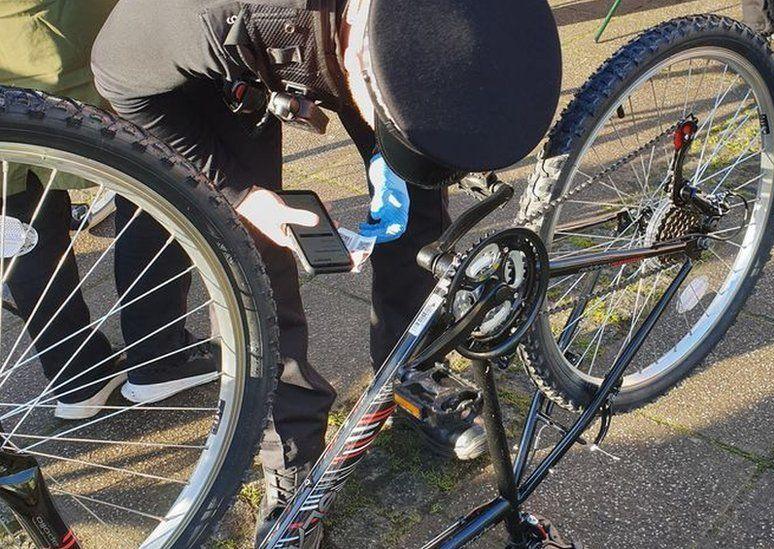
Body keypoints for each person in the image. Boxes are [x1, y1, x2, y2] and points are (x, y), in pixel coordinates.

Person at [92, 0, 561, 541]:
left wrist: (402, 151)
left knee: (419, 197)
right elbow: (117, 76)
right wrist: (244, 195)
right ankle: (289, 453)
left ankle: (409, 371)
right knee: (254, 254)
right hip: (230, 63)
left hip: (371, 38)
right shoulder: (206, 15)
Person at [0, 0, 215, 421]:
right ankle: (159, 355)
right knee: (151, 179)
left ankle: (76, 374)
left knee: (16, 217)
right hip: (61, 40)